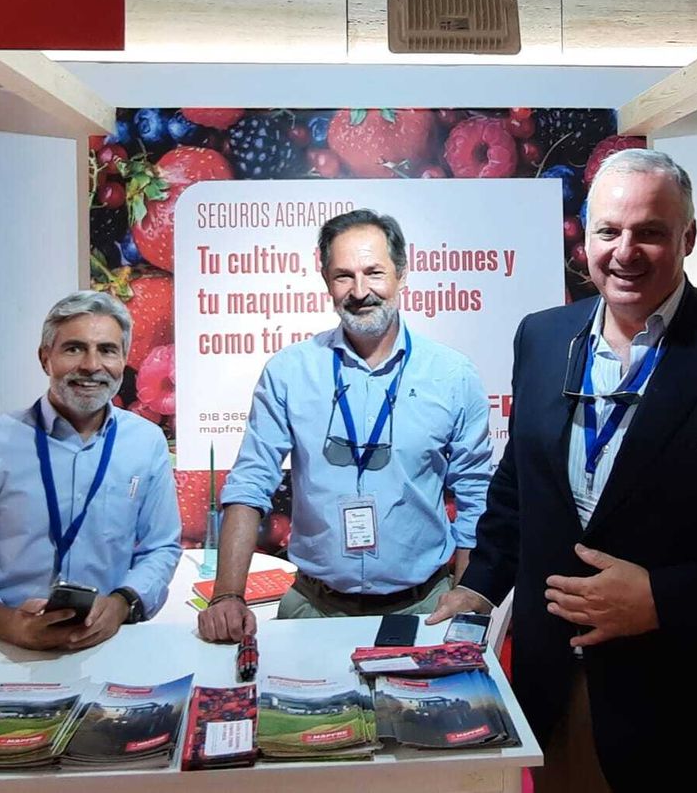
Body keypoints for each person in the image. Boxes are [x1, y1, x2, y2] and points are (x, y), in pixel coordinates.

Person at [428, 149, 697, 793]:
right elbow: (522, 485)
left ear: (688, 237)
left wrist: (665, 600)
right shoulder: (544, 338)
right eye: (610, 231)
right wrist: (483, 583)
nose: (626, 251)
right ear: (585, 236)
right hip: (563, 695)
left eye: (651, 232)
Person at [198, 209, 494, 641]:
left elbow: (476, 496)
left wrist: (470, 595)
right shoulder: (288, 373)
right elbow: (249, 484)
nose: (360, 291)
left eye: (374, 272)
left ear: (402, 274)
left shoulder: (453, 376)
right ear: (325, 281)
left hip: (424, 610)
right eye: (343, 276)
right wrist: (227, 595)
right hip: (312, 610)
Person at [0, 291, 182, 652]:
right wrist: (8, 623)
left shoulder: (147, 443)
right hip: (5, 648)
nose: (91, 365)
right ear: (46, 358)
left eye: (107, 350)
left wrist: (121, 604)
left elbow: (161, 548)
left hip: (108, 642)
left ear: (123, 360)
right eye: (74, 349)